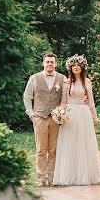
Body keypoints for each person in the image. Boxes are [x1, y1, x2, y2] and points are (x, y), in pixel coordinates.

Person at [53, 54, 100, 186]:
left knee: (83, 144)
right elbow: (63, 101)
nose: (75, 67)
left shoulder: (87, 82)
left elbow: (91, 102)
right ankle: (69, 176)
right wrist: (60, 114)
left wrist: (95, 118)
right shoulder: (66, 82)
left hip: (83, 114)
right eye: (73, 65)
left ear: (82, 67)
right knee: (70, 144)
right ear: (70, 67)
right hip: (70, 114)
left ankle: (84, 176)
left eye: (78, 65)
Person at [23, 52, 67, 186]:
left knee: (53, 150)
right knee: (41, 150)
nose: (49, 64)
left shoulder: (62, 78)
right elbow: (27, 96)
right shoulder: (34, 78)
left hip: (55, 118)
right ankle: (41, 178)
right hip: (40, 118)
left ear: (56, 63)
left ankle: (52, 177)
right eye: (47, 62)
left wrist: (62, 113)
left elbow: (65, 98)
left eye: (52, 62)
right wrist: (31, 113)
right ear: (43, 63)